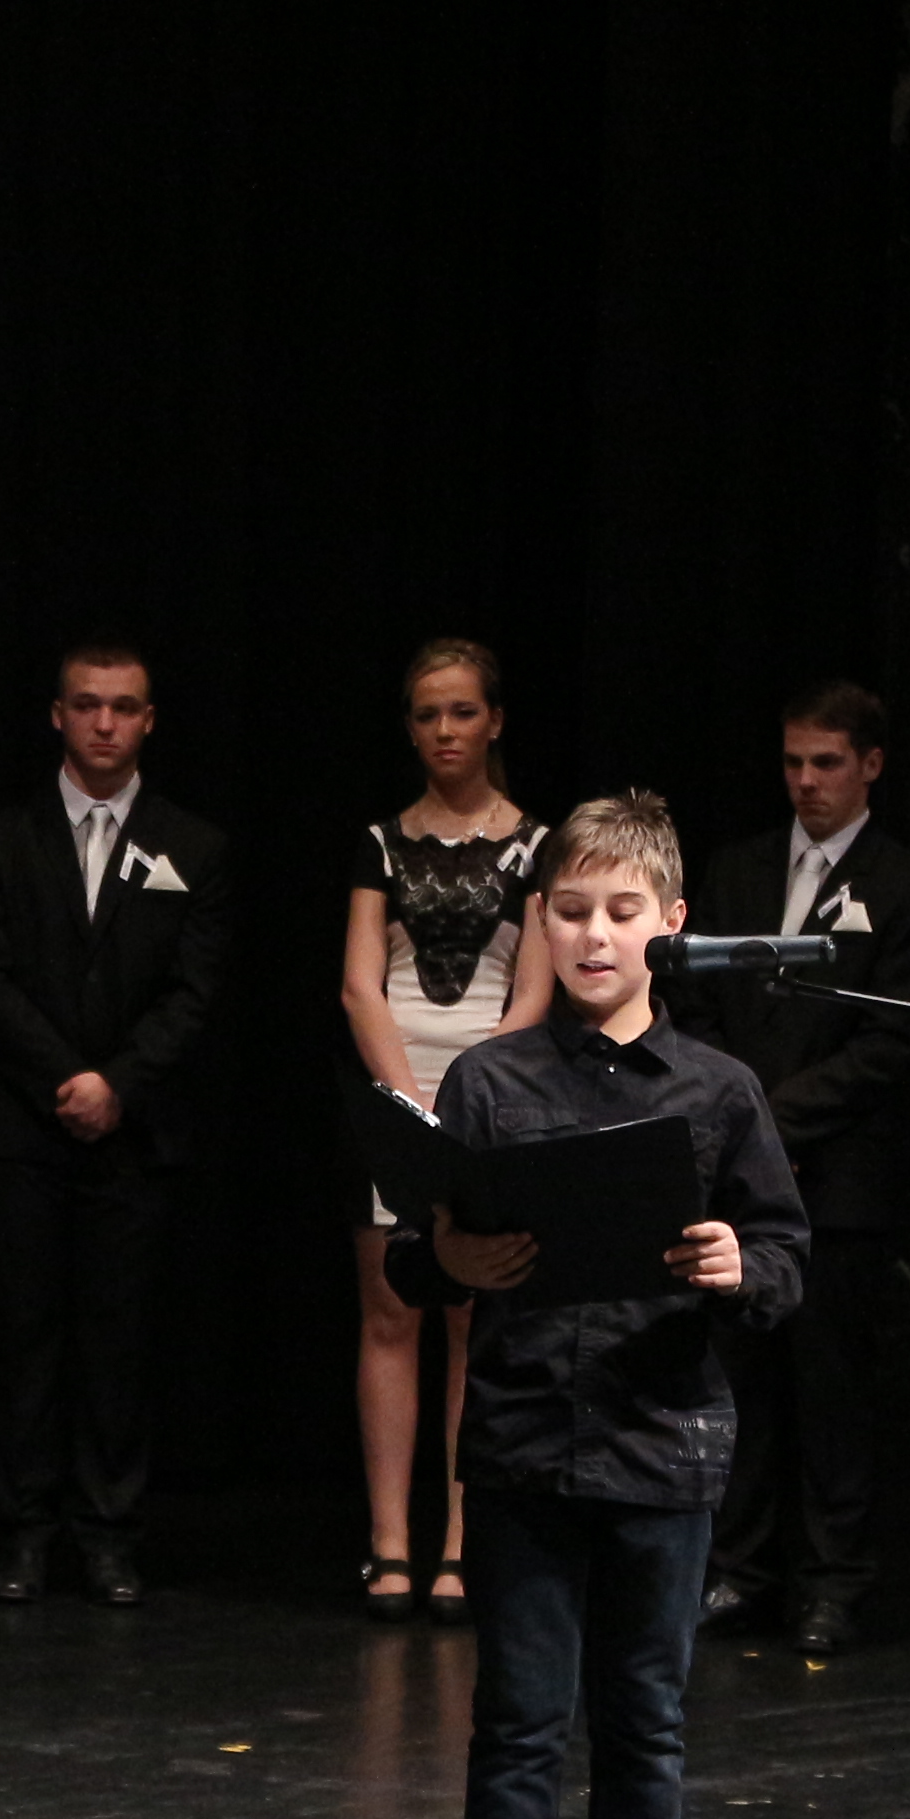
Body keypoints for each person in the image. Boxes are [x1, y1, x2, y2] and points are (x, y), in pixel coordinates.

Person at [396, 792, 805, 1819]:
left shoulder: (719, 1089)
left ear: (668, 924)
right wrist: (451, 1256)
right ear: (539, 921)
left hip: (662, 1442)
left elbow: (785, 1258)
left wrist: (741, 1264)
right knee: (519, 1724)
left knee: (646, 1726)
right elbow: (417, 1257)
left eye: (622, 912)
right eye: (571, 911)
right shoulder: (490, 1079)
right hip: (525, 1443)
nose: (594, 935)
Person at [0, 642, 230, 1605]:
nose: (104, 722)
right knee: (20, 1335)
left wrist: (119, 1083)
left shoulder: (194, 845)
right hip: (23, 1127)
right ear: (57, 715)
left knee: (120, 1341)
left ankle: (109, 1532)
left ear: (149, 720)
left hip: (136, 1130)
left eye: (123, 707)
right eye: (86, 705)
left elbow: (195, 992)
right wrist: (66, 1079)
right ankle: (23, 1531)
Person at [695, 680, 910, 1656]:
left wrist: (770, 1118)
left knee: (833, 1392)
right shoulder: (738, 870)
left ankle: (833, 1582)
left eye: (827, 763)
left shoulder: (907, 885)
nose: (806, 781)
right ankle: (740, 1571)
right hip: (737, 1173)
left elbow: (889, 1043)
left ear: (871, 765)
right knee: (742, 1382)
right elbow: (697, 1005)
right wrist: (739, 1121)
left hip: (836, 1178)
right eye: (794, 762)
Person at [339, 639, 548, 1628]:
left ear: (494, 720)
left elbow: (535, 991)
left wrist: (469, 1102)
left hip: (492, 1101)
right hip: (396, 1095)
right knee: (390, 1314)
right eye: (427, 715)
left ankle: (463, 1542)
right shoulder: (381, 841)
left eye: (463, 712)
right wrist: (407, 1103)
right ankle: (390, 1542)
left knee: (475, 1317)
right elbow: (359, 985)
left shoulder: (535, 845)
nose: (446, 731)